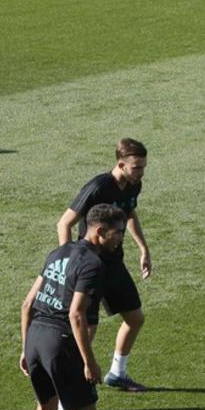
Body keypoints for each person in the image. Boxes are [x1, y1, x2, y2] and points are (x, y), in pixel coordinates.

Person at [7, 204, 127, 410]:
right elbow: (76, 314)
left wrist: (26, 347)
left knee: (45, 407)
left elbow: (26, 305)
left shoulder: (57, 253)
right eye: (118, 233)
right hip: (59, 343)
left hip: (36, 338)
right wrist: (89, 361)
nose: (120, 239)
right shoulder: (92, 264)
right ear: (100, 231)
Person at [56, 138, 151, 392]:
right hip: (90, 266)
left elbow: (128, 214)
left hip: (114, 263)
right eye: (136, 167)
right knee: (87, 329)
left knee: (135, 318)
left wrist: (143, 248)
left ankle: (117, 373)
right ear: (121, 164)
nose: (141, 172)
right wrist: (69, 262)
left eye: (143, 167)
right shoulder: (98, 187)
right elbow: (64, 223)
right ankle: (70, 390)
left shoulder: (134, 185)